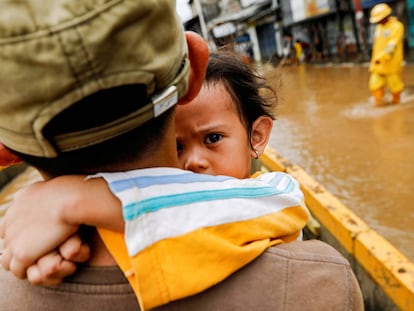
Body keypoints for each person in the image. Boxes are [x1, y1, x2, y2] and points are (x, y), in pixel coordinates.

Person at [0, 1, 364, 310]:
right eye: (178, 146)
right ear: (193, 68)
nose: (194, 163)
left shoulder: (24, 259)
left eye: (214, 139)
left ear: (6, 152)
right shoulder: (322, 282)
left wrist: (77, 199)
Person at [368, 3, 404, 107]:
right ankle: (379, 104)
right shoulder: (378, 28)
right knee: (374, 85)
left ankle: (396, 105)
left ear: (386, 16)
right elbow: (376, 46)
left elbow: (392, 44)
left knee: (395, 87)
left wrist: (382, 57)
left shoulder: (397, 26)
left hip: (391, 64)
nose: (377, 22)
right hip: (377, 64)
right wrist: (373, 63)